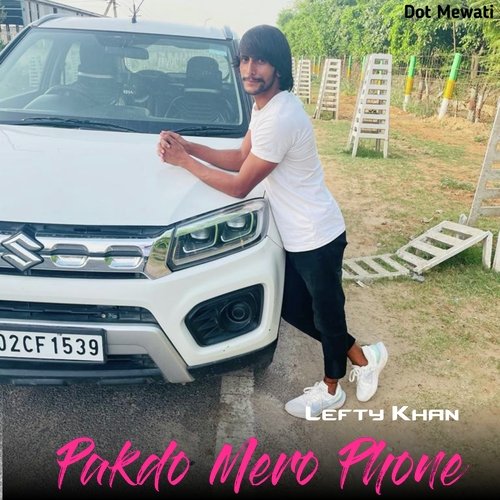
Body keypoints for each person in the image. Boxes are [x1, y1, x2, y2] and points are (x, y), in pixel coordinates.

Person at [157, 25, 388, 419]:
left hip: (317, 234)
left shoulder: (282, 116)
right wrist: (188, 146)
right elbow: (239, 158)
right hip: (295, 233)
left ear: (278, 67)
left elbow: (239, 185)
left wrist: (183, 162)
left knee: (327, 314)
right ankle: (364, 357)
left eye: (260, 60)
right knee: (294, 309)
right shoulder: (263, 107)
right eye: (245, 59)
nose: (250, 69)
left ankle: (332, 388)